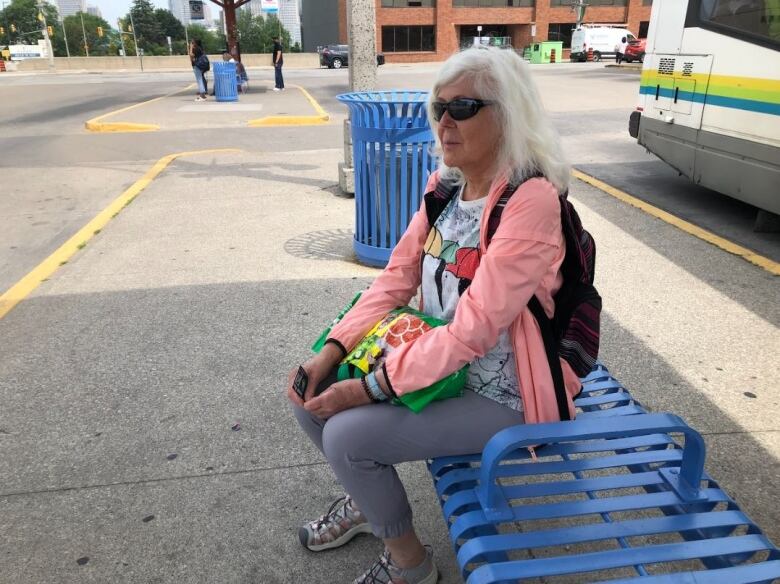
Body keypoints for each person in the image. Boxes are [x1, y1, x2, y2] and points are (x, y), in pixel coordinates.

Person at [287, 46, 582, 584]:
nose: (444, 122)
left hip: (503, 391)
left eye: (463, 107)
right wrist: (330, 350)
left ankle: (410, 564)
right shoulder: (444, 187)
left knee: (346, 437)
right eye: (437, 108)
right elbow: (395, 279)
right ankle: (365, 500)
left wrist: (370, 388)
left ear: (508, 113)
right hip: (440, 365)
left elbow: (473, 332)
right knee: (311, 395)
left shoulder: (530, 200)